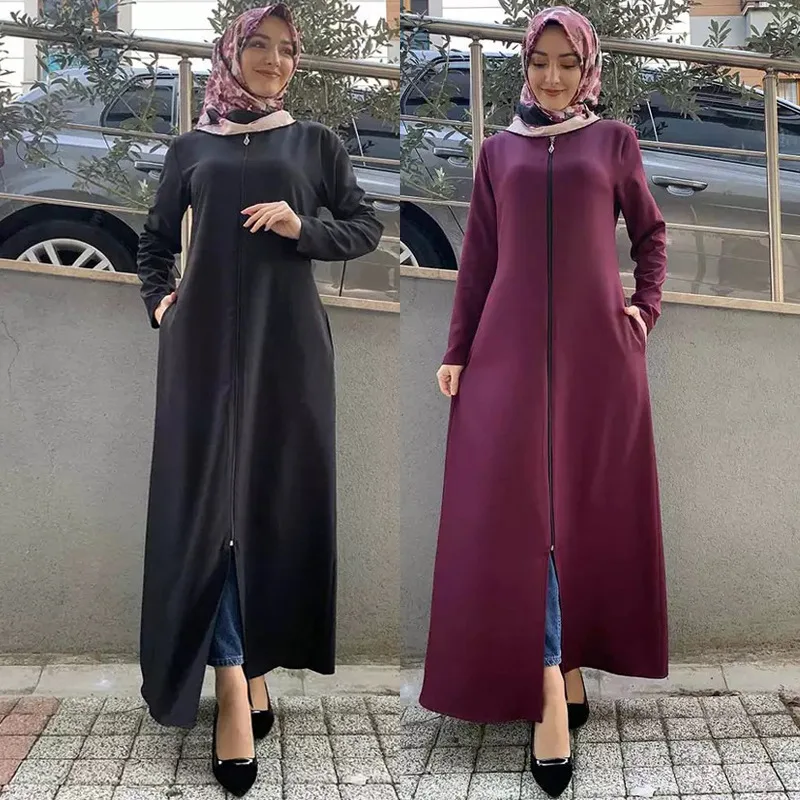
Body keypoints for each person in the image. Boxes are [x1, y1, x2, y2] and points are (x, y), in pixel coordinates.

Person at [419, 7, 668, 797]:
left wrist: (643, 309)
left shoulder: (613, 141)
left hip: (599, 361)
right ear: (523, 67)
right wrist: (457, 349)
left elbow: (651, 234)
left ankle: (565, 664)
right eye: (539, 63)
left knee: (582, 515)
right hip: (509, 356)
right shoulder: (498, 152)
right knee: (522, 520)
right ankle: (549, 687)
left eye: (566, 62)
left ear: (586, 68)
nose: (552, 77)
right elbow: (479, 259)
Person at [136, 5, 384, 796]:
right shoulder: (191, 147)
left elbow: (365, 227)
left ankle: (250, 666)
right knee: (207, 516)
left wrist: (299, 224)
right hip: (201, 352)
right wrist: (161, 303)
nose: (273, 61)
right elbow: (153, 239)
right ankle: (232, 680)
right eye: (259, 47)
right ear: (231, 54)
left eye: (285, 50)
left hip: (288, 351)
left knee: (270, 507)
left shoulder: (314, 143)